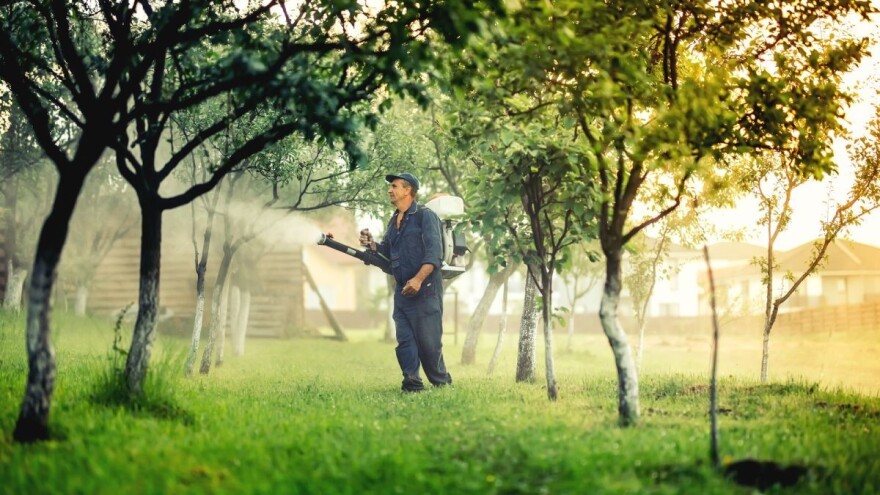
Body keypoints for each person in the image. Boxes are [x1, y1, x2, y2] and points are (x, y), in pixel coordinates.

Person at [360, 172, 453, 392]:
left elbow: (434, 254)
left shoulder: (425, 216)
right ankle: (411, 382)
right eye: (390, 187)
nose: (390, 190)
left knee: (429, 345)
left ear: (408, 189)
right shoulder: (394, 221)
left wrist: (419, 279)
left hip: (426, 291)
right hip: (402, 292)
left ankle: (442, 382)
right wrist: (372, 245)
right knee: (405, 341)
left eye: (394, 186)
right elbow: (389, 254)